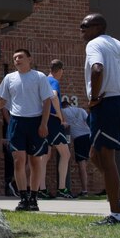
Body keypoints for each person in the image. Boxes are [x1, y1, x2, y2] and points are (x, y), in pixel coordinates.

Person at [80, 13, 120, 225]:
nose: (81, 30)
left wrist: (95, 98)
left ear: (97, 27)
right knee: (95, 155)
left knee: (106, 159)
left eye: (85, 26)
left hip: (106, 105)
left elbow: (97, 69)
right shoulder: (117, 44)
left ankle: (116, 214)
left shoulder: (94, 45)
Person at [0, 49, 53, 212]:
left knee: (34, 161)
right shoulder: (9, 78)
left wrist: (44, 124)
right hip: (17, 122)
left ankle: (33, 198)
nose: (17, 60)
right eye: (14, 58)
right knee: (18, 160)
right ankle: (23, 198)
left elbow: (47, 102)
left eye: (20, 57)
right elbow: (2, 101)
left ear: (29, 59)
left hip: (36, 121)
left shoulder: (39, 77)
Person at [37, 60, 72, 199]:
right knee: (66, 154)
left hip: (42, 119)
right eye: (62, 71)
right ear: (59, 70)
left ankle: (41, 189)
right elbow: (53, 96)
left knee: (44, 156)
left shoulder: (42, 81)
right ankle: (62, 189)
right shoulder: (53, 81)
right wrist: (60, 116)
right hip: (52, 120)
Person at [60, 96, 92, 197]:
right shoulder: (81, 110)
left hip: (79, 139)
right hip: (89, 136)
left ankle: (85, 191)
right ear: (70, 104)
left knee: (82, 165)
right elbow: (89, 122)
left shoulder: (62, 112)